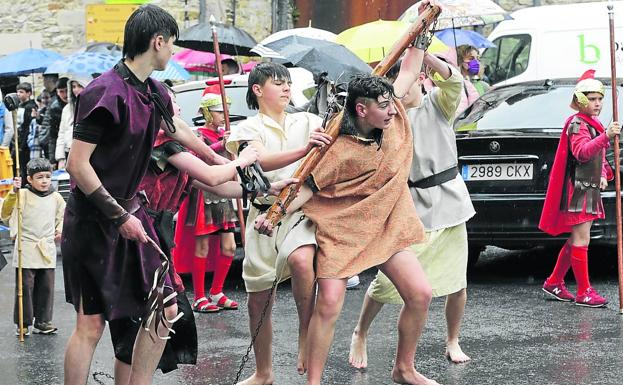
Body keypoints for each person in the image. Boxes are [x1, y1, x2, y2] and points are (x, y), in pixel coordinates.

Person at [61, 5, 228, 385]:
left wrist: (226, 159)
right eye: (172, 43)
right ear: (158, 42)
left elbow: (182, 131)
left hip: (133, 216)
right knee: (91, 325)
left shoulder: (155, 92)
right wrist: (119, 216)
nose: (173, 51)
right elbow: (77, 165)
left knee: (163, 309)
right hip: (94, 221)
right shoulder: (103, 92)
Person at [255, 44, 440, 385]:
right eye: (383, 107)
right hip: (342, 229)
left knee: (420, 293)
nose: (392, 112)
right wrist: (274, 215)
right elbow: (306, 189)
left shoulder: (390, 108)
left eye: (390, 104)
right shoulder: (336, 148)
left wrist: (421, 28)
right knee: (329, 302)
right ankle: (314, 381)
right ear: (361, 110)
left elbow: (410, 71)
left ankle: (404, 368)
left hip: (387, 221)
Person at [109, 86, 296, 381]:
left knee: (146, 320)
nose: (180, 113)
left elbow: (218, 187)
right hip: (139, 234)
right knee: (147, 318)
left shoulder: (176, 146)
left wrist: (264, 189)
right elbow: (212, 174)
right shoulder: (160, 144)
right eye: (175, 107)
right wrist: (242, 159)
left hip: (155, 234)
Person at [348, 51, 475, 369]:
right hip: (410, 206)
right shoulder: (389, 119)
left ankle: (452, 340)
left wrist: (423, 52)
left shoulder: (439, 103)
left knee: (457, 282)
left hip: (449, 201)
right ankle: (360, 332)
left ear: (420, 78)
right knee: (386, 282)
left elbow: (454, 79)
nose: (398, 90)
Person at [225, 61, 331, 384]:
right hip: (262, 217)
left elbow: (334, 131)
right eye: (278, 83)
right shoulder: (247, 129)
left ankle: (304, 331)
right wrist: (304, 149)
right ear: (257, 90)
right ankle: (263, 372)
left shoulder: (306, 119)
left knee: (302, 260)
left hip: (299, 211)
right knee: (258, 301)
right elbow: (257, 159)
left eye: (288, 83)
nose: (287, 88)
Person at [539, 69, 620, 308]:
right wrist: (606, 135)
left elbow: (597, 156)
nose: (597, 103)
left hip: (588, 186)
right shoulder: (577, 124)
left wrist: (604, 172)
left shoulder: (590, 122)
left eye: (600, 99)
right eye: (592, 99)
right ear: (580, 99)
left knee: (577, 238)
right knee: (581, 240)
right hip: (579, 189)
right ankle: (584, 291)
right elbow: (582, 152)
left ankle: (554, 281)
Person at [173, 85, 240, 313]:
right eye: (221, 111)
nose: (224, 115)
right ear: (208, 112)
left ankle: (217, 291)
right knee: (201, 248)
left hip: (223, 194)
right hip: (202, 195)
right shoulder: (197, 135)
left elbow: (232, 163)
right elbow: (194, 158)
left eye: (226, 111)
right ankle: (200, 296)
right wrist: (220, 145)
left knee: (229, 247)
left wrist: (232, 147)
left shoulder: (226, 134)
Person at [1, 158, 65, 336]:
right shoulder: (21, 195)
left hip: (46, 247)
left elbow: (62, 216)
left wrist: (59, 230)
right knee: (25, 287)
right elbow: (5, 212)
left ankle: (43, 321)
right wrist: (13, 192)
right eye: (40, 177)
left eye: (47, 177)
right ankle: (23, 322)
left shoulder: (56, 197)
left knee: (46, 286)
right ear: (29, 179)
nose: (45, 181)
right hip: (26, 247)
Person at [56, 76, 91, 169]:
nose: (76, 89)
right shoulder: (67, 108)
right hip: (70, 152)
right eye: (73, 86)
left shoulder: (94, 106)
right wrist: (60, 158)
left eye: (80, 86)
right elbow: (62, 134)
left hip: (88, 154)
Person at [39, 77, 68, 163]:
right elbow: (53, 135)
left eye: (66, 90)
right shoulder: (54, 107)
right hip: (61, 146)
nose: (65, 94)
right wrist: (52, 159)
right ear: (57, 92)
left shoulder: (78, 104)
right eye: (61, 91)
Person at [15, 82, 37, 181]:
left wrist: (23, 144)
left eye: (21, 92)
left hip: (26, 141)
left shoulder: (31, 106)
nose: (18, 94)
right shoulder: (20, 105)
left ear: (28, 93)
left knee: (25, 166)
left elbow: (28, 126)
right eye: (18, 92)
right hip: (19, 138)